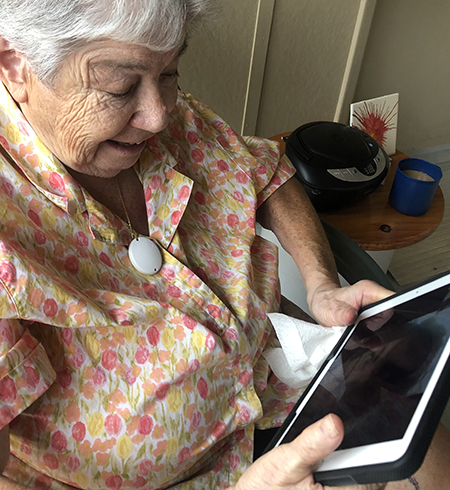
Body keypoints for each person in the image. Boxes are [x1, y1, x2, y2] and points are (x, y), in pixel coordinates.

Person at [0, 1, 448, 489]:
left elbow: (267, 173)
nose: (157, 115)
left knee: (427, 446)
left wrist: (322, 285)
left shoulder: (175, 118)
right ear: (15, 65)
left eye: (169, 73)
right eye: (120, 87)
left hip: (280, 389)